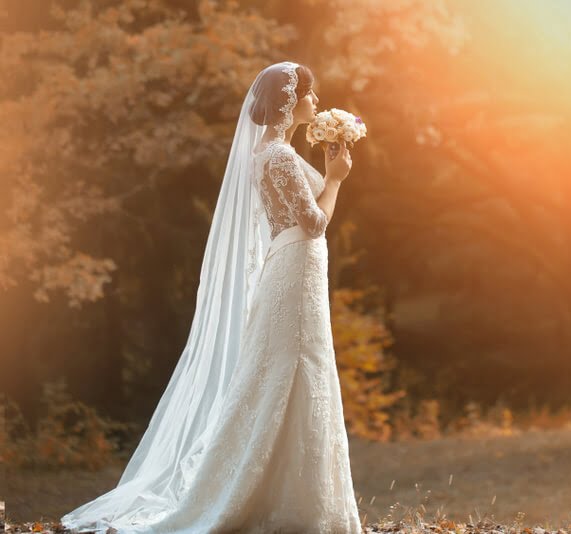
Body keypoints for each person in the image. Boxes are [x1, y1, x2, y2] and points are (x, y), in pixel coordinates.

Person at [60, 61, 361, 533]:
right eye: (311, 93)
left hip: (296, 265)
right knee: (295, 365)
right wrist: (339, 180)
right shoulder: (277, 156)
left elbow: (309, 207)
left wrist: (329, 166)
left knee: (294, 368)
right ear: (290, 100)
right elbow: (315, 222)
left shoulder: (273, 152)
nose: (317, 101)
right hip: (296, 264)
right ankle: (281, 500)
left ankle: (288, 496)